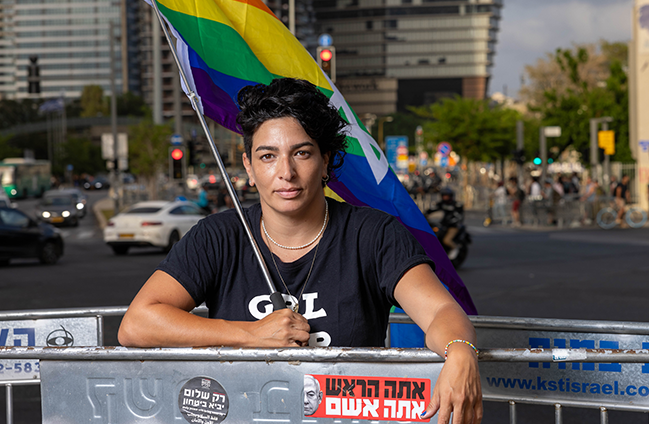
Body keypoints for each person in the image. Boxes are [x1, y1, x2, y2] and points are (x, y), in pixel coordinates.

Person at [118, 78, 482, 424]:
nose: (286, 172)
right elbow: (137, 324)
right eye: (267, 156)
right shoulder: (219, 236)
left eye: (302, 153)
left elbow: (440, 312)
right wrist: (248, 335)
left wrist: (460, 350)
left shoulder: (373, 234)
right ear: (248, 166)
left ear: (325, 161)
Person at [425, 188, 465, 260]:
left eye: (446, 195)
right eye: (443, 195)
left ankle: (455, 248)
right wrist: (424, 214)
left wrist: (452, 221)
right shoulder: (442, 203)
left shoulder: (457, 205)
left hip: (453, 226)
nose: (445, 197)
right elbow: (432, 209)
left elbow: (459, 216)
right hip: (443, 225)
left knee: (446, 240)